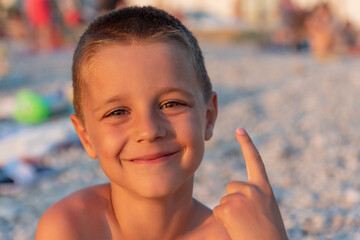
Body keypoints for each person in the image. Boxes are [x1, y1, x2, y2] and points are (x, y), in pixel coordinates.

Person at [35, 6, 288, 239]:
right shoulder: (71, 228)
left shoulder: (237, 235)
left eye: (171, 104)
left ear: (208, 117)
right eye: (118, 112)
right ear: (85, 136)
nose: (149, 130)